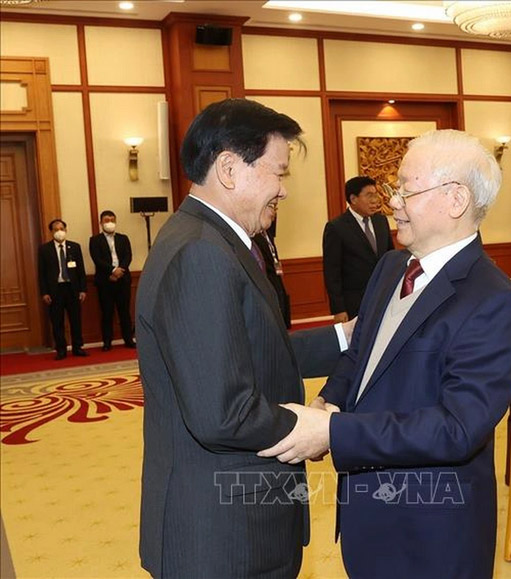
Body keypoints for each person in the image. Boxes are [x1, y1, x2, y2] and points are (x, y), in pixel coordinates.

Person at [260, 130, 511, 578]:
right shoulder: (390, 267)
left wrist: (333, 432)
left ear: (455, 199)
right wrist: (331, 399)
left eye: (406, 188)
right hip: (367, 512)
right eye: (393, 188)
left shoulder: (493, 300)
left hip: (431, 529)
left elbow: (458, 427)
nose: (393, 202)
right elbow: (361, 353)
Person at [136, 98, 353, 578]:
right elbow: (222, 412)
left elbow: (249, 349)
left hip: (234, 516)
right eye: (279, 174)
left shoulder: (211, 239)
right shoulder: (202, 254)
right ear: (230, 169)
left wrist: (344, 336)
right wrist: (308, 431)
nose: (284, 191)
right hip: (223, 533)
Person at [322, 176, 394, 322]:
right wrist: (339, 309)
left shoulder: (381, 221)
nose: (375, 200)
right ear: (353, 199)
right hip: (354, 303)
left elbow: (390, 257)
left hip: (382, 298)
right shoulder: (336, 227)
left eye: (376, 194)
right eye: (369, 195)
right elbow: (332, 272)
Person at [38, 219, 88, 360]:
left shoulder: (75, 247)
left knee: (75, 320)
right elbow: (41, 273)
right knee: (57, 321)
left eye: (61, 229)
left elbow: (81, 271)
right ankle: (61, 349)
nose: (59, 232)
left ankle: (78, 347)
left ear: (66, 230)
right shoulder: (44, 249)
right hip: (55, 290)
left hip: (72, 289)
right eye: (56, 229)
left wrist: (83, 289)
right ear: (51, 232)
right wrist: (44, 292)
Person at [89, 210, 135, 350]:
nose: (109, 223)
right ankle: (107, 342)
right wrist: (112, 270)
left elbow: (128, 256)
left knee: (124, 312)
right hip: (105, 281)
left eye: (112, 220)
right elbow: (97, 259)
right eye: (106, 220)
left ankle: (128, 339)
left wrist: (120, 269)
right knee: (107, 313)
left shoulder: (123, 238)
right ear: (101, 223)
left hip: (123, 279)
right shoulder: (95, 240)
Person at [252, 221, 291, 328]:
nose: (274, 212)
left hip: (277, 284)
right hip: (267, 285)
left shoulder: (268, 234)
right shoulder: (253, 236)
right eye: (272, 206)